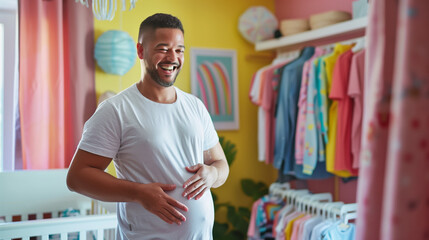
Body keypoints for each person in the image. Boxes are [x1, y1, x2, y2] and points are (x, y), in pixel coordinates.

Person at [66, 13, 229, 239]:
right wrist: (139, 193)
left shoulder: (195, 106)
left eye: (179, 50)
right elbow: (77, 177)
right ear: (141, 51)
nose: (173, 57)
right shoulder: (116, 110)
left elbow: (221, 164)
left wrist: (212, 174)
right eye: (163, 48)